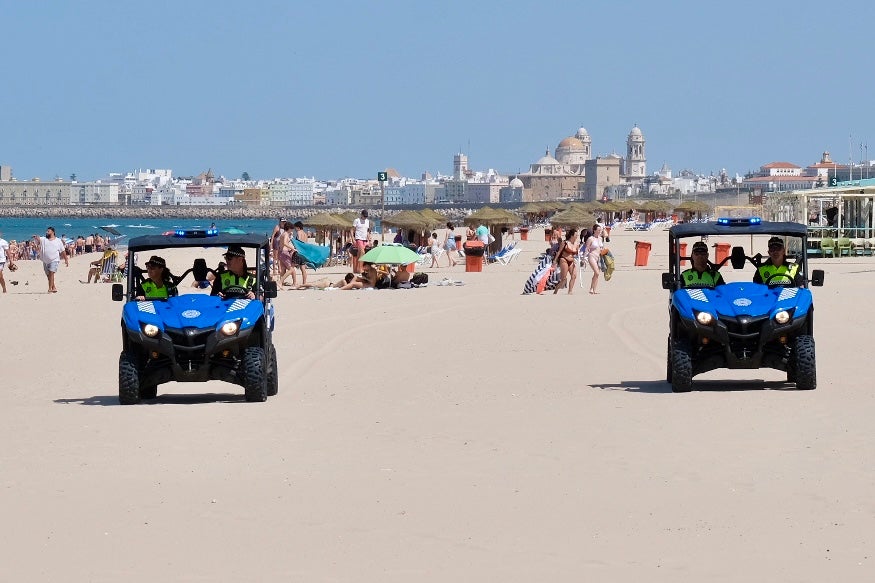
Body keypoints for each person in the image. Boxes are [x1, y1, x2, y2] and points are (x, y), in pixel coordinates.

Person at [32, 226, 68, 293]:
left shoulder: (58, 241)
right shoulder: (44, 239)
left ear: (53, 232)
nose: (47, 232)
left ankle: (49, 289)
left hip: (54, 259)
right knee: (49, 275)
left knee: (51, 273)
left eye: (48, 231)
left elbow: (63, 251)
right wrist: (36, 236)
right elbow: (38, 238)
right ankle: (53, 287)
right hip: (45, 261)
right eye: (46, 231)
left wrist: (66, 259)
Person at [552, 228, 580, 295]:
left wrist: (579, 256)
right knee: (563, 279)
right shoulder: (565, 243)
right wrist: (555, 260)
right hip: (564, 260)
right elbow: (559, 252)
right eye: (576, 235)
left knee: (574, 276)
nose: (577, 236)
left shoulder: (577, 244)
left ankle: (570, 291)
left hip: (571, 261)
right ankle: (556, 290)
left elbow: (577, 254)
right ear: (572, 235)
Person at [583, 223, 605, 295]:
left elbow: (602, 247)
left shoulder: (600, 238)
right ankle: (591, 289)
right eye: (598, 230)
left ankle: (593, 289)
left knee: (597, 274)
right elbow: (587, 248)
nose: (599, 231)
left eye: (600, 230)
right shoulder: (590, 239)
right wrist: (584, 258)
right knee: (597, 272)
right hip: (592, 256)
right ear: (594, 230)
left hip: (599, 257)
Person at [290, 221, 310, 288]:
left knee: (292, 266)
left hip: (298, 252)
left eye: (295, 228)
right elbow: (305, 243)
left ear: (298, 227)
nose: (295, 229)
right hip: (304, 252)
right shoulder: (305, 234)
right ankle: (304, 283)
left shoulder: (299, 233)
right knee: (303, 268)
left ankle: (294, 282)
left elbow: (298, 243)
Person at [0, 229, 12, 294]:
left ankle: (4, 288)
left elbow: (7, 252)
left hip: (1, 260)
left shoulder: (3, 242)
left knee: (0, 275)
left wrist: (11, 261)